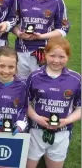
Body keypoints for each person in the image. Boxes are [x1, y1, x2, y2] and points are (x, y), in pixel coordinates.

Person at [26, 37, 80, 168]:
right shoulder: (34, 76)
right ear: (45, 54)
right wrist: (36, 118)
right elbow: (25, 103)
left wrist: (66, 121)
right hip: (36, 130)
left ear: (68, 57)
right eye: (52, 55)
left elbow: (80, 107)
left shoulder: (76, 79)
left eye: (61, 56)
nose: (56, 60)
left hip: (62, 132)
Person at [13, 0, 69, 79]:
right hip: (21, 51)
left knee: (41, 87)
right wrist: (19, 33)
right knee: (21, 87)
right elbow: (13, 22)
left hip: (45, 52)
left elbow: (63, 29)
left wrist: (41, 36)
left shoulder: (57, 1)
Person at [0, 46, 28, 135]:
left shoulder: (23, 85)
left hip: (13, 134)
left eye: (11, 67)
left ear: (16, 66)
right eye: (2, 66)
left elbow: (24, 109)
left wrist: (20, 125)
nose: (6, 71)